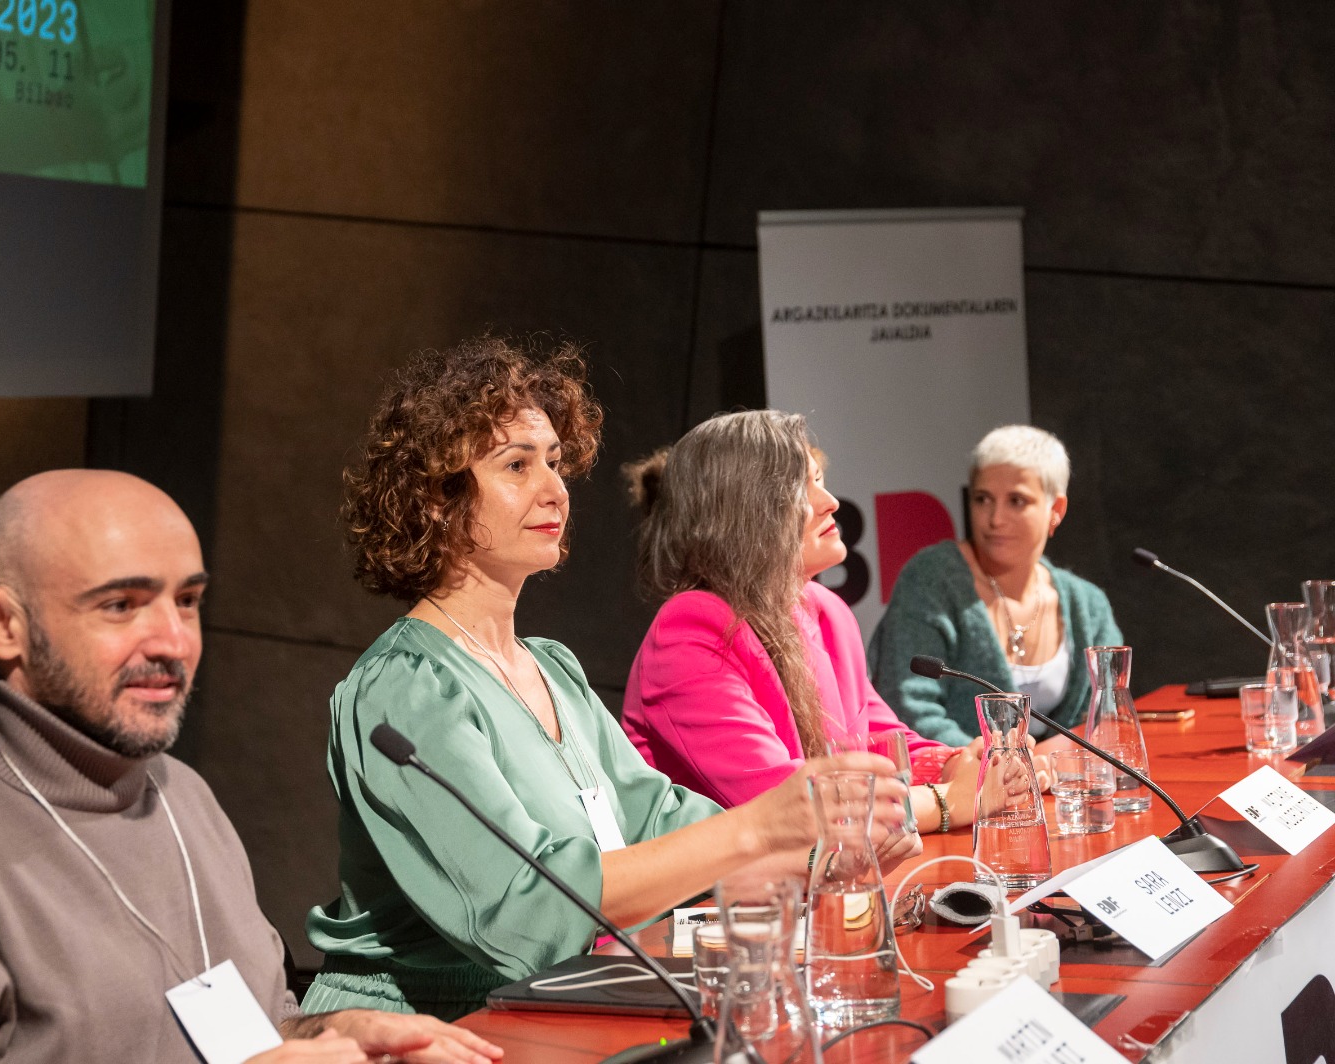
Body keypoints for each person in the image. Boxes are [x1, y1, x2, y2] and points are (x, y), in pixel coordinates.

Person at [0, 470, 499, 1064]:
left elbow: (240, 1032)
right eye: (121, 605)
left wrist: (335, 1033)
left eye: (187, 601)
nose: (173, 641)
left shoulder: (181, 794)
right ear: (1, 624)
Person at [303, 338, 916, 1021]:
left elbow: (659, 822)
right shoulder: (407, 688)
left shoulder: (553, 669)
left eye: (555, 462)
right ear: (437, 499)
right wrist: (760, 830)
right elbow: (520, 910)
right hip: (419, 1029)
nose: (554, 490)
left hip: (555, 1005)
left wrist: (823, 850)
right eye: (517, 465)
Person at [620, 411, 981, 835]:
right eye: (800, 488)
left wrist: (965, 766)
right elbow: (789, 807)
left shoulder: (826, 610)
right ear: (746, 510)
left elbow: (882, 745)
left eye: (820, 480)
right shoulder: (689, 631)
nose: (830, 502)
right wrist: (944, 801)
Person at [867, 425, 1123, 748]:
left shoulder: (1088, 605)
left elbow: (1107, 714)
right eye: (983, 499)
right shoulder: (930, 580)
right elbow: (908, 711)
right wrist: (999, 766)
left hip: (1060, 777)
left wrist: (1051, 761)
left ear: (1056, 510)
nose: (995, 519)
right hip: (957, 775)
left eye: (1017, 501)